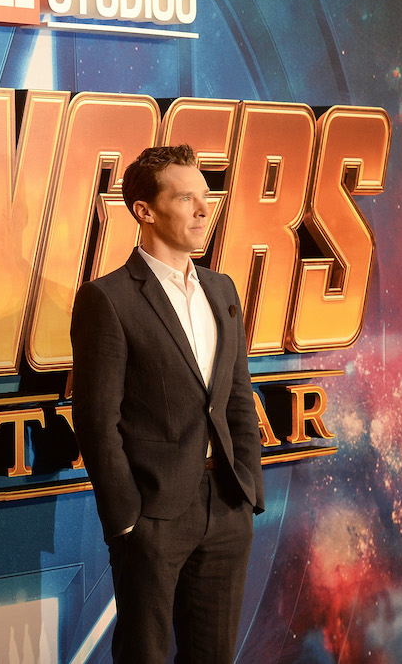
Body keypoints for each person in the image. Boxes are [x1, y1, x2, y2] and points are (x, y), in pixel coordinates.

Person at [70, 144, 264, 663]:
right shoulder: (108, 298)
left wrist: (248, 487)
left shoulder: (222, 289)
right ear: (145, 211)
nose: (204, 210)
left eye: (205, 196)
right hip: (153, 515)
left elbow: (238, 397)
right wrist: (127, 521)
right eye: (185, 198)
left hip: (227, 505)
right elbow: (96, 421)